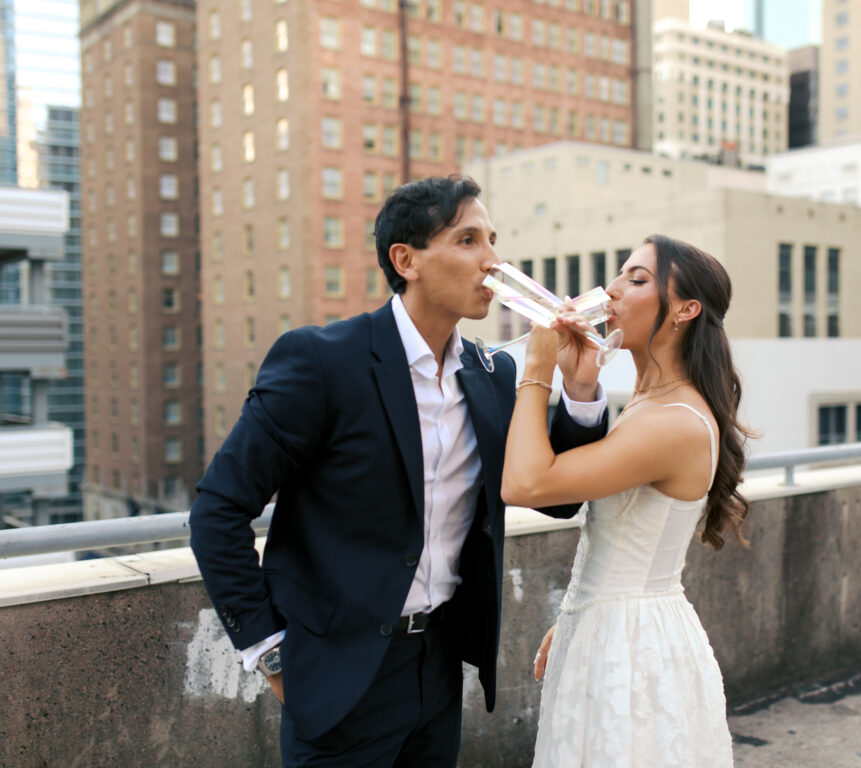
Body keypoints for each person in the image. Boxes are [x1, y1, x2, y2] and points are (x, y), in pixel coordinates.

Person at [189, 175, 608, 767]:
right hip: (336, 675)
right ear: (405, 259)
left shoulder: (489, 375)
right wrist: (269, 650)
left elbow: (560, 497)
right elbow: (217, 510)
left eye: (493, 240)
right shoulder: (322, 361)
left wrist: (582, 388)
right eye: (468, 241)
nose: (493, 261)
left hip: (438, 668)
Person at [502, 234, 751, 767]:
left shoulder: (671, 421)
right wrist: (578, 614)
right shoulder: (650, 400)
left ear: (686, 309)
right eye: (619, 275)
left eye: (637, 280)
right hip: (610, 632)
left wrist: (537, 370)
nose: (611, 291)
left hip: (633, 651)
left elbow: (525, 484)